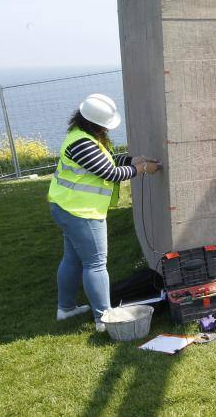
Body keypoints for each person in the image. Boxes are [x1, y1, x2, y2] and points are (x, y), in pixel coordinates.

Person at [48, 94, 160, 331]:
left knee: (73, 259)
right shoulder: (83, 144)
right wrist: (142, 168)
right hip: (81, 212)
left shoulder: (81, 136)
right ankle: (104, 318)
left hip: (66, 207)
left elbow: (105, 162)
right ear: (96, 123)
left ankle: (66, 309)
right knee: (96, 264)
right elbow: (110, 173)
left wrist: (132, 159)